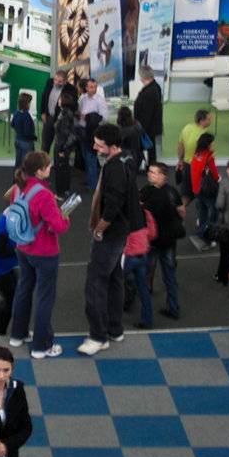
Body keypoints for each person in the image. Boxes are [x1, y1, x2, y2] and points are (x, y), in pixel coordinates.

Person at [7, 152, 70, 359]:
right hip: (45, 251)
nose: (50, 168)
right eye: (48, 166)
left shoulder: (18, 188)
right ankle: (41, 346)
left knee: (23, 289)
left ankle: (18, 334)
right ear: (40, 170)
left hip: (23, 247)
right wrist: (65, 217)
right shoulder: (44, 193)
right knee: (45, 297)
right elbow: (58, 226)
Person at [79, 124, 136, 354]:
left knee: (95, 283)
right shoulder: (125, 161)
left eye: (99, 144)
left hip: (111, 234)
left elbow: (113, 204)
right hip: (121, 231)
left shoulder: (114, 169)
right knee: (114, 279)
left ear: (112, 146)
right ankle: (114, 328)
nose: (94, 147)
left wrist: (100, 228)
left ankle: (98, 336)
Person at [133, 65, 163, 164]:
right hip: (151, 126)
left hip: (147, 127)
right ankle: (150, 166)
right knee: (151, 149)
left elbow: (147, 114)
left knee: (146, 149)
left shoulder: (149, 91)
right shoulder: (155, 87)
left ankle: (148, 167)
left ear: (142, 76)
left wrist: (140, 128)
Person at [11, 93, 36, 164]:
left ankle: (17, 175)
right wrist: (34, 137)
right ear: (26, 104)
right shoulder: (26, 116)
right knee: (26, 163)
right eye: (29, 103)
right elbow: (27, 132)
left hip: (17, 140)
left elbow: (12, 124)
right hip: (26, 143)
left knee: (18, 162)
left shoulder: (16, 112)